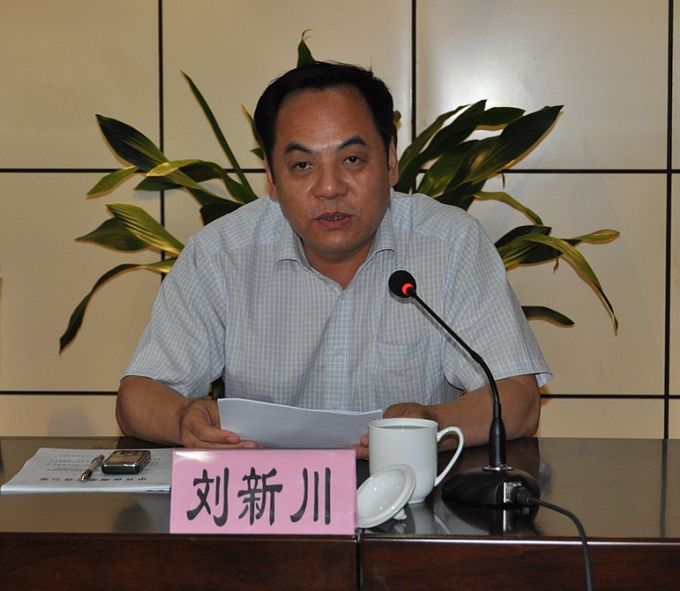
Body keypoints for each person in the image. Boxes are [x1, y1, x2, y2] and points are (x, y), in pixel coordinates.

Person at [116, 61, 551, 457]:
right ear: (271, 178)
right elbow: (137, 397)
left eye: (352, 159)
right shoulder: (220, 254)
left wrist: (432, 425)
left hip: (408, 495)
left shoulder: (451, 243)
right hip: (270, 499)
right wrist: (183, 419)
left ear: (391, 162)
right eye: (303, 166)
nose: (329, 188)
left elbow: (517, 399)